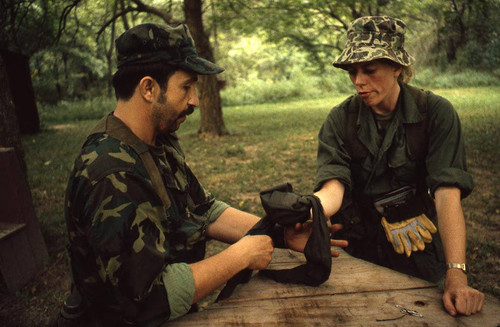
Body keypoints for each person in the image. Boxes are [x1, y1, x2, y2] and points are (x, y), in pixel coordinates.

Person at [57, 23, 344, 326]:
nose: (195, 100)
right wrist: (239, 257)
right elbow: (145, 300)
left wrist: (281, 233)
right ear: (149, 88)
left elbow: (203, 210)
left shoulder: (156, 139)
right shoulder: (112, 174)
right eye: (186, 87)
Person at [313, 16, 484, 317]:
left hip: (419, 250)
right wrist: (310, 213)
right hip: (358, 251)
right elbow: (333, 186)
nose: (358, 81)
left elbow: (447, 194)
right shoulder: (340, 120)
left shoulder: (434, 113)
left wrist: (456, 272)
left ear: (397, 67)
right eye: (352, 71)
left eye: (369, 70)